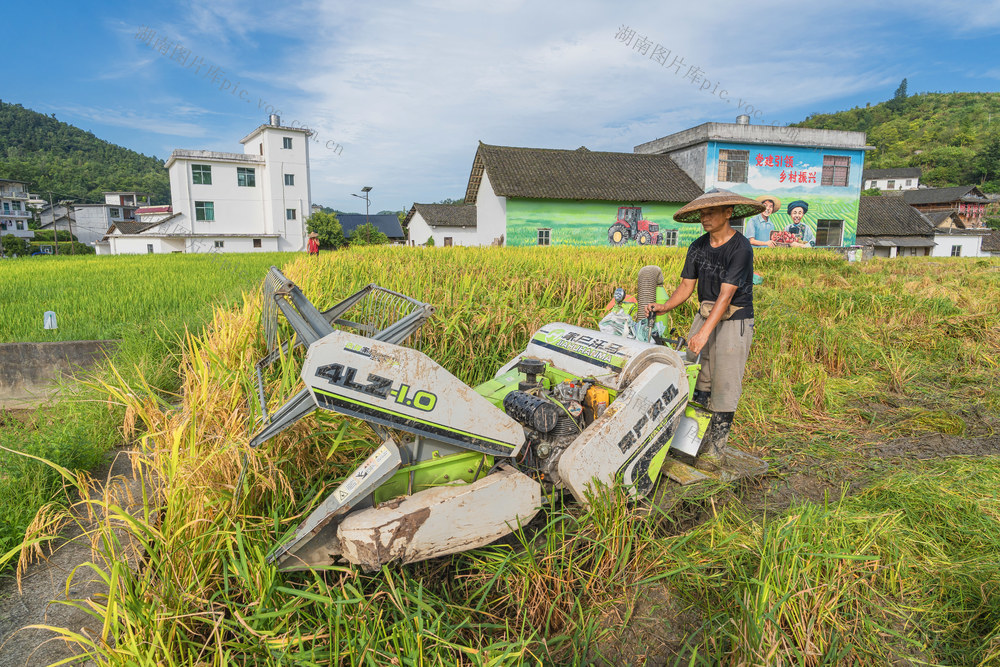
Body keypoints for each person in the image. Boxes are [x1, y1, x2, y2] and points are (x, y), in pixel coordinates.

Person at [644, 189, 763, 470]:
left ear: (728, 213)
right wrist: (664, 307)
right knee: (697, 379)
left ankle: (716, 450)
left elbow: (726, 295)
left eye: (710, 212)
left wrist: (703, 334)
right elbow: (686, 286)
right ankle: (692, 443)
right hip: (706, 312)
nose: (704, 218)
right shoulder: (697, 246)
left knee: (725, 382)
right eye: (702, 213)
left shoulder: (741, 248)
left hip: (734, 319)